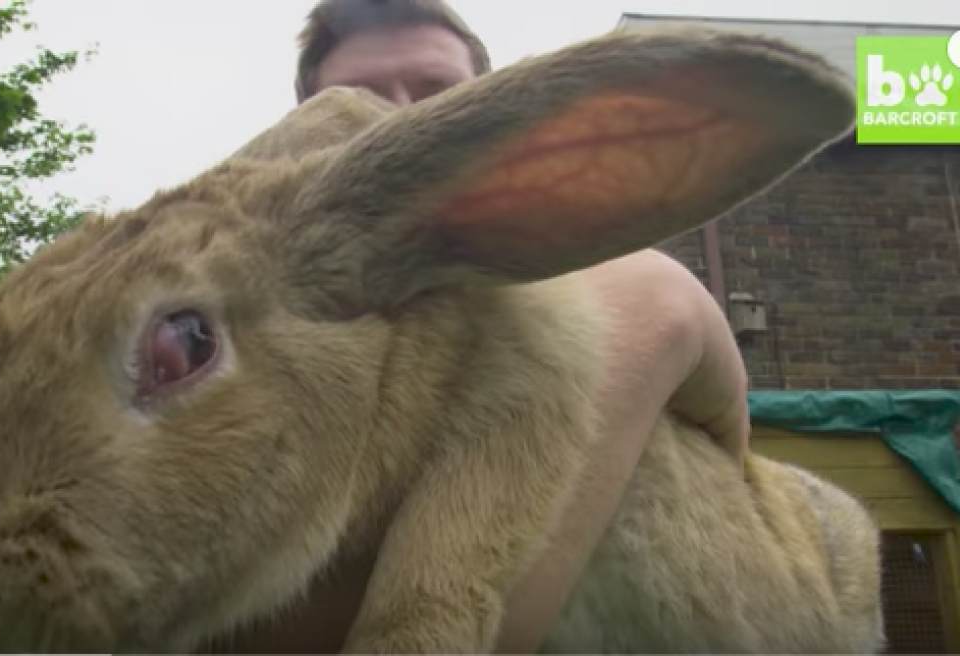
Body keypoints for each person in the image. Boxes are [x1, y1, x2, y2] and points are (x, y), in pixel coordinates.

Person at [215, 0, 753, 652]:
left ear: (492, 116)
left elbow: (732, 464)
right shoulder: (237, 331)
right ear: (302, 122)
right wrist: (652, 309)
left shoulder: (598, 278)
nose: (399, 123)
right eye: (357, 97)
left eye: (439, 96)